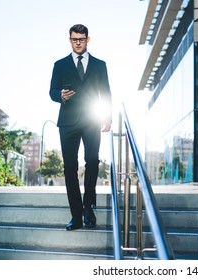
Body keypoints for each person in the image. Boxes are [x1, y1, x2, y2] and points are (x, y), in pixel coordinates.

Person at [49, 24, 112, 231]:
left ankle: (88, 206)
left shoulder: (100, 65)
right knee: (70, 168)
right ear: (70, 40)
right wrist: (61, 96)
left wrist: (108, 117)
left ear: (88, 39)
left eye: (82, 39)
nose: (78, 42)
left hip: (92, 120)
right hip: (68, 122)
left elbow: (106, 93)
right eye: (75, 39)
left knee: (93, 161)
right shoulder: (60, 64)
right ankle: (76, 215)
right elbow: (52, 91)